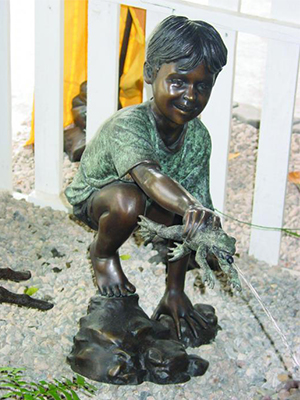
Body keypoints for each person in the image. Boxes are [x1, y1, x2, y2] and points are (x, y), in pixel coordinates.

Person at [65, 15, 228, 339]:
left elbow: (192, 212)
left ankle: (172, 292)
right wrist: (189, 206)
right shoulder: (130, 125)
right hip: (100, 199)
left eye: (202, 85)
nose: (190, 96)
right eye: (178, 81)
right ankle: (103, 254)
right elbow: (150, 177)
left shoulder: (198, 139)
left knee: (186, 213)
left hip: (155, 199)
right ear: (152, 73)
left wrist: (177, 287)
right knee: (130, 198)